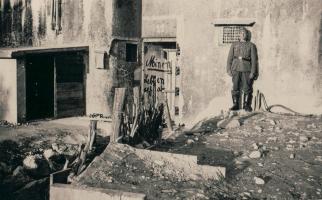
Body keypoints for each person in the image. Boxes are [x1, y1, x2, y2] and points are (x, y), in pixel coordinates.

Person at [226, 27, 258, 112]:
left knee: (247, 87)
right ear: (239, 35)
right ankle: (235, 104)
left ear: (246, 35)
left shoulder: (251, 45)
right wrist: (228, 69)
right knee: (235, 87)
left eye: (244, 33)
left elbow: (254, 60)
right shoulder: (234, 44)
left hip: (246, 69)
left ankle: (246, 105)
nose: (243, 35)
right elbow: (229, 57)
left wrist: (253, 72)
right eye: (241, 33)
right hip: (235, 68)